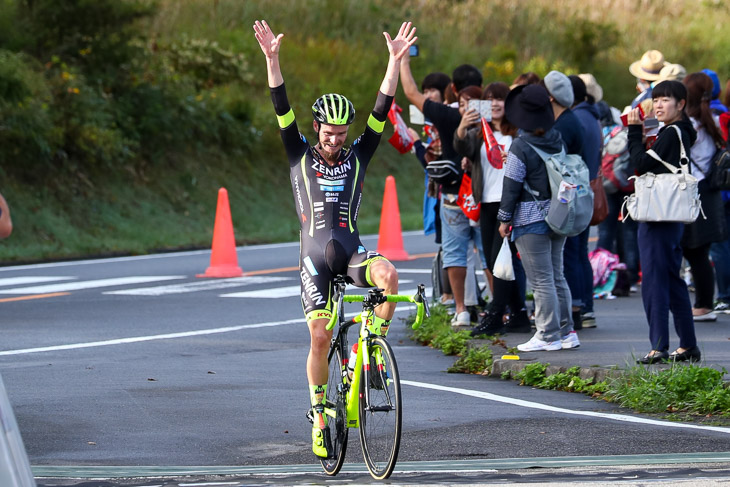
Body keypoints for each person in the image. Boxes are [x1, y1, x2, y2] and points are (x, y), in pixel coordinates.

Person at [253, 19, 417, 458]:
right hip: (314, 258)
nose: (335, 142)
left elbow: (382, 109)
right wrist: (273, 60)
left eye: (342, 135)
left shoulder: (359, 154)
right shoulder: (298, 152)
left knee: (390, 275)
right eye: (329, 134)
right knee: (321, 337)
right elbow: (279, 103)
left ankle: (375, 352)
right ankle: (319, 408)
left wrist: (393, 61)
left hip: (350, 251)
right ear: (317, 128)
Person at [400, 55, 483, 327]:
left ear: (454, 89)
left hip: (453, 194)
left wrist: (401, 59)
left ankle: (460, 309)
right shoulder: (493, 113)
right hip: (485, 195)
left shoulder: (447, 114)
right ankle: (498, 307)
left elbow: (410, 92)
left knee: (455, 253)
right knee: (489, 254)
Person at [498, 84, 579, 352]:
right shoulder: (556, 137)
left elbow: (511, 187)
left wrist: (504, 219)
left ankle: (547, 334)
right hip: (558, 214)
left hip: (530, 219)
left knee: (541, 280)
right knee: (557, 276)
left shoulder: (520, 145)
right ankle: (567, 332)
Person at [626, 80, 700, 364]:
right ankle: (688, 345)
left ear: (680, 104)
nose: (658, 105)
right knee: (671, 278)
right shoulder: (682, 130)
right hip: (672, 214)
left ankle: (658, 346)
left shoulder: (671, 132)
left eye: (665, 100)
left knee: (654, 281)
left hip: (658, 214)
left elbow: (640, 164)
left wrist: (633, 132)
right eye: (655, 100)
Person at [453, 82, 530, 335]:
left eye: (500, 99)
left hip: (510, 203)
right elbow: (462, 150)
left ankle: (496, 314)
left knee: (500, 261)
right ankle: (518, 314)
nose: (495, 104)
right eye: (490, 100)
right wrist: (463, 125)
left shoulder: (517, 133)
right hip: (486, 202)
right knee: (492, 259)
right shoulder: (479, 132)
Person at [681, 72, 728, 322]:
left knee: (694, 250)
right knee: (700, 250)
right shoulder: (713, 120)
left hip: (695, 191)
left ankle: (703, 305)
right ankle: (704, 303)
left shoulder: (690, 124)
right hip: (710, 191)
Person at [543, 70, 585, 329]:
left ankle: (570, 316)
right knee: (572, 256)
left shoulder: (562, 126)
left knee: (562, 263)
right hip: (574, 196)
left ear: (550, 98)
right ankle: (577, 311)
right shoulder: (572, 120)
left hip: (565, 198)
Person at [566, 75, 602, 328]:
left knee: (570, 252)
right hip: (588, 189)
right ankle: (586, 307)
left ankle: (577, 305)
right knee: (580, 252)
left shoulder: (574, 119)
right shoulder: (592, 116)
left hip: (575, 189)